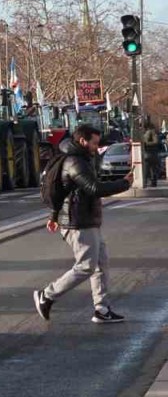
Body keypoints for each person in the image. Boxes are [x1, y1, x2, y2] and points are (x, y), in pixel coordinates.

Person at [33, 124, 133, 324]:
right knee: (86, 266)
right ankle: (47, 295)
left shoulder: (82, 159)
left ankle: (102, 309)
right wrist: (124, 183)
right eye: (94, 143)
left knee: (100, 264)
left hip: (85, 219)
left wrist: (53, 216)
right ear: (82, 141)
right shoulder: (75, 162)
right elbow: (94, 188)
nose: (97, 147)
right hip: (78, 222)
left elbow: (64, 191)